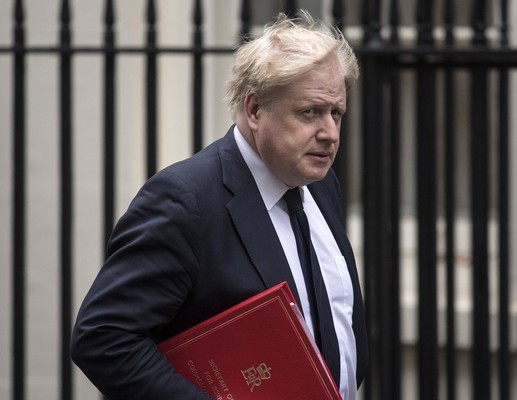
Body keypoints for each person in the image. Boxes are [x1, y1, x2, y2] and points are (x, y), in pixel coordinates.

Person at [71, 10, 367, 400]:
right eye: (310, 112)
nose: (330, 133)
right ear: (255, 110)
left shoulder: (320, 183)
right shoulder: (185, 199)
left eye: (336, 113)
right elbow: (103, 338)